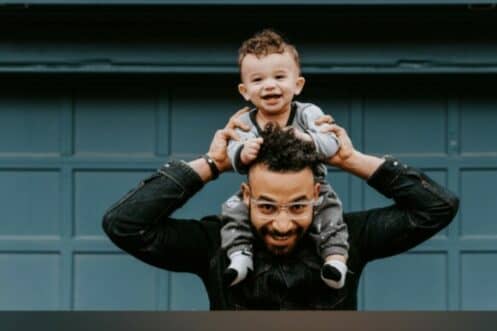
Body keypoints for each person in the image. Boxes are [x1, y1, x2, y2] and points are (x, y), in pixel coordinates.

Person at [102, 114, 459, 311]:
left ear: (317, 195)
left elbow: (436, 207)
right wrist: (212, 164)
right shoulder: (215, 242)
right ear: (247, 195)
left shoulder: (349, 237)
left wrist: (351, 160)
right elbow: (125, 224)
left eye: (299, 206)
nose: (283, 224)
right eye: (268, 206)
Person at [221, 28, 348, 290]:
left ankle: (335, 259)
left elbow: (330, 142)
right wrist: (242, 153)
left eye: (279, 77)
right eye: (258, 80)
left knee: (331, 212)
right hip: (261, 192)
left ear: (297, 84)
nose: (269, 85)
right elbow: (232, 153)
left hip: (314, 187)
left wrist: (308, 139)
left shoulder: (308, 114)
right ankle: (240, 254)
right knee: (233, 209)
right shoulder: (244, 121)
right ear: (245, 91)